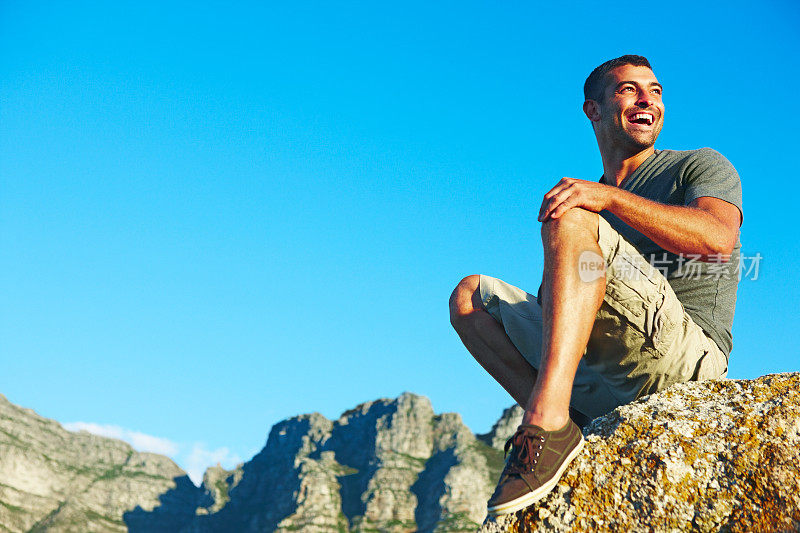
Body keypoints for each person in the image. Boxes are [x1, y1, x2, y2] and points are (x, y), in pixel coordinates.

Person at [448, 55, 742, 516]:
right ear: (594, 110)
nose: (648, 99)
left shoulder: (698, 165)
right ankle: (567, 427)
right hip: (603, 373)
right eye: (629, 89)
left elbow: (718, 240)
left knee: (574, 211)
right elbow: (558, 304)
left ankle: (542, 422)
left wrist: (605, 198)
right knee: (470, 297)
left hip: (685, 361)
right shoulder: (588, 202)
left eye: (656, 90)